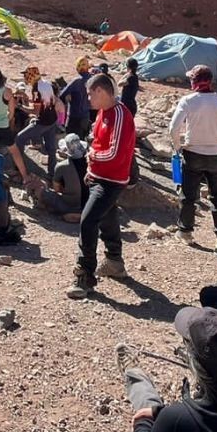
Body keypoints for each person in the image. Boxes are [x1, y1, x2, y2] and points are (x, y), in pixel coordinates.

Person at [67, 73, 136, 299]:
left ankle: (84, 274)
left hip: (111, 180)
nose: (88, 98)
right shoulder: (103, 113)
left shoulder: (120, 115)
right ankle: (114, 262)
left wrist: (92, 156)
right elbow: (97, 142)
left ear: (100, 91)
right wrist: (89, 169)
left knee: (88, 221)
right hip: (98, 176)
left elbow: (114, 153)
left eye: (90, 94)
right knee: (108, 216)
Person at [169, 65, 217, 240]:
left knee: (188, 196)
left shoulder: (188, 100)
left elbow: (173, 128)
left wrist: (178, 147)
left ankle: (186, 232)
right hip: (215, 156)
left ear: (194, 81)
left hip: (192, 154)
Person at [13, 66, 63, 186]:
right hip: (52, 120)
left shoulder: (36, 88)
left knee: (19, 138)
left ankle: (19, 170)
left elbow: (35, 111)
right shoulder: (46, 83)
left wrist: (19, 106)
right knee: (51, 149)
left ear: (31, 75)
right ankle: (52, 175)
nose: (25, 77)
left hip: (43, 121)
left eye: (27, 74)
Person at [37, 133, 87, 222]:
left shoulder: (62, 166)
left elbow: (56, 189)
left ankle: (70, 214)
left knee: (42, 192)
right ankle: (83, 214)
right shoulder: (91, 163)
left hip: (69, 204)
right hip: (89, 203)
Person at [61, 57, 93, 140]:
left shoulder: (77, 81)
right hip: (86, 115)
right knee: (82, 142)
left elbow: (62, 95)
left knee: (70, 140)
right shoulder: (93, 79)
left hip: (74, 116)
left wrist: (68, 96)